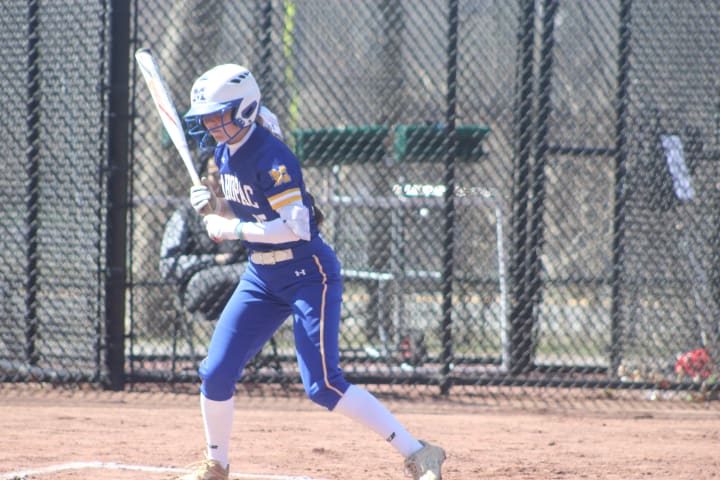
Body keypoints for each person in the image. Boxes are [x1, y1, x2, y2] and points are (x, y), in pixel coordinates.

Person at [176, 63, 446, 480]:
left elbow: (295, 228)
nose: (211, 125)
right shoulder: (223, 152)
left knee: (323, 386)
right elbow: (246, 208)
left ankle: (420, 453)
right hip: (261, 277)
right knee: (215, 372)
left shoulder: (272, 156)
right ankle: (217, 464)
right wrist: (215, 206)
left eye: (219, 115)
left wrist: (229, 228)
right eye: (206, 118)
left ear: (245, 109)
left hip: (308, 275)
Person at [160, 155, 248, 321]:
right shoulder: (186, 214)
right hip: (201, 285)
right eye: (216, 175)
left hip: (242, 278)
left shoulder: (245, 208)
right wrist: (214, 260)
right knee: (219, 279)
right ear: (202, 179)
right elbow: (168, 265)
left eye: (227, 175)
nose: (221, 181)